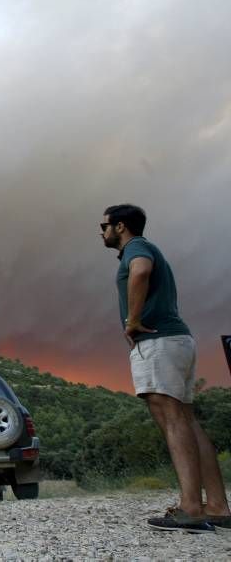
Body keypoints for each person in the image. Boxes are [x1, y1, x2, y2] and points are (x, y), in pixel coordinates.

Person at [101, 204, 230, 533]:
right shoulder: (142, 247)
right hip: (178, 341)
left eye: (105, 226)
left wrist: (132, 320)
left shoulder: (137, 247)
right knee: (186, 422)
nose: (102, 232)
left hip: (158, 343)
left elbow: (141, 271)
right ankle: (216, 506)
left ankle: (190, 508)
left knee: (173, 422)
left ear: (120, 226)